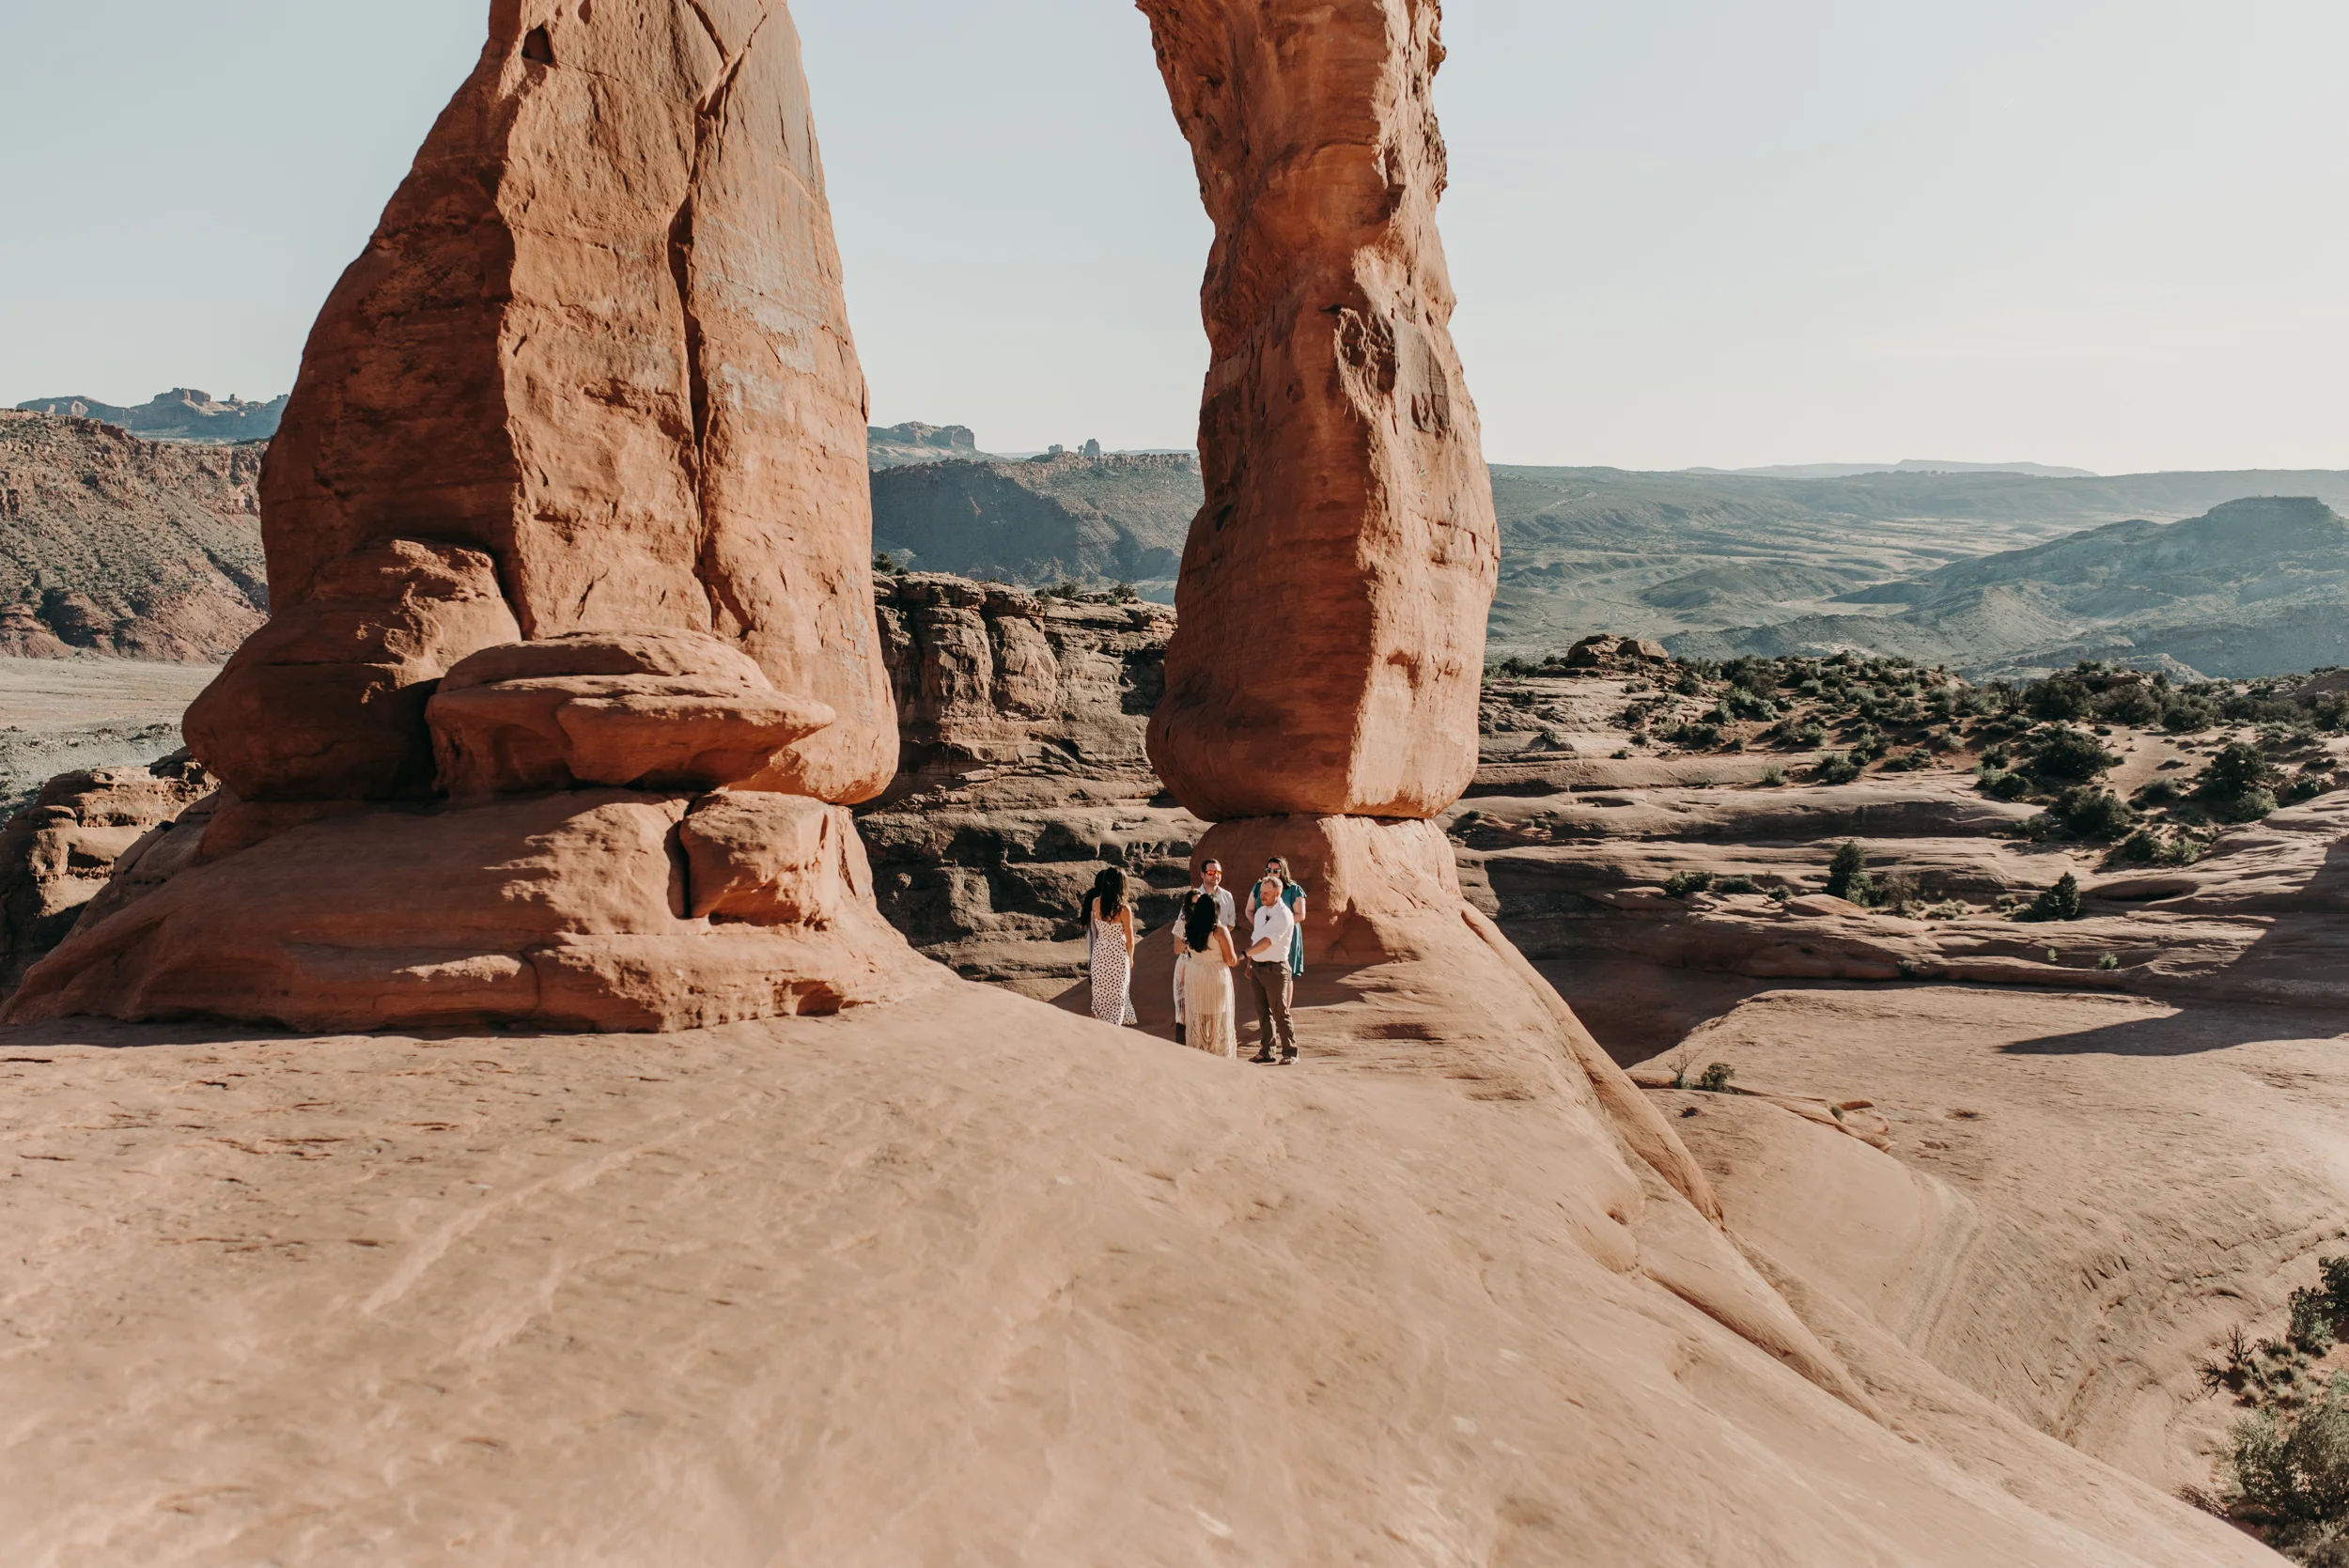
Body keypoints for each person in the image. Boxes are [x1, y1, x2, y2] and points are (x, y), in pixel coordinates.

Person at [1171, 859, 1236, 1046]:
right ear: (1202, 874)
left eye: (1218, 873)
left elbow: (1230, 924)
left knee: (1211, 1013)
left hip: (1212, 959)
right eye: (1211, 872)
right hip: (1192, 962)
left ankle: (1205, 1048)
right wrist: (1201, 940)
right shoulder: (1192, 899)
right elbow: (1179, 940)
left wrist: (1214, 941)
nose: (1215, 876)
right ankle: (1185, 1046)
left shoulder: (1227, 897)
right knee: (1186, 1008)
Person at [1177, 890, 1243, 1057]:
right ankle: (1214, 1054)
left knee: (1198, 1014)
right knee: (1215, 1018)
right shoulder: (1219, 931)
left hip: (1195, 974)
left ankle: (1198, 1053)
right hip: (1215, 975)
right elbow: (1230, 959)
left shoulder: (1189, 927)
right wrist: (1240, 958)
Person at [1244, 875, 1299, 1064]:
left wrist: (1244, 954)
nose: (1262, 896)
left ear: (1278, 893)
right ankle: (1267, 1051)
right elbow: (1256, 938)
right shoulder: (1260, 912)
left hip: (1275, 969)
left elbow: (1267, 942)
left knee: (1280, 1011)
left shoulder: (1284, 915)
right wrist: (1250, 961)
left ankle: (1290, 1052)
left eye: (1266, 893)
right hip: (1258, 968)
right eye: (1261, 893)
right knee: (1262, 1011)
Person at [1081, 866, 1138, 1028]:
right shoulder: (1124, 910)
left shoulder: (1095, 903)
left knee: (1099, 999)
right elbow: (1130, 940)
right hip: (1118, 956)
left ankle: (1094, 1032)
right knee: (1117, 1000)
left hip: (1100, 953)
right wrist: (1131, 958)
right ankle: (1112, 1034)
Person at [1262, 856, 1307, 980]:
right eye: (1269, 870)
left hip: (1287, 933)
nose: (1271, 873)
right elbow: (1250, 909)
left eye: (1275, 871)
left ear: (1282, 872)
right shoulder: (1260, 887)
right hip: (1265, 932)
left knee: (1285, 973)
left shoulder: (1293, 889)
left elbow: (1300, 914)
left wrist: (1279, 925)